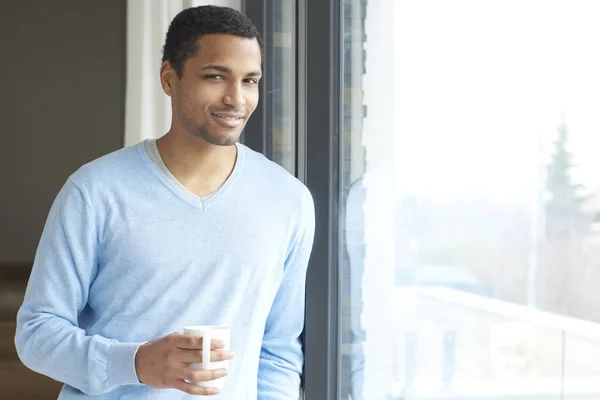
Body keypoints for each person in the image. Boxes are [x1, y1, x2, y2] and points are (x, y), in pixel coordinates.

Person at [14, 5, 315, 400]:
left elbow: (277, 351)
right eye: (215, 76)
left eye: (250, 80)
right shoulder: (95, 191)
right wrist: (136, 363)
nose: (236, 98)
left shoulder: (288, 200)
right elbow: (37, 334)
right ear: (169, 78)